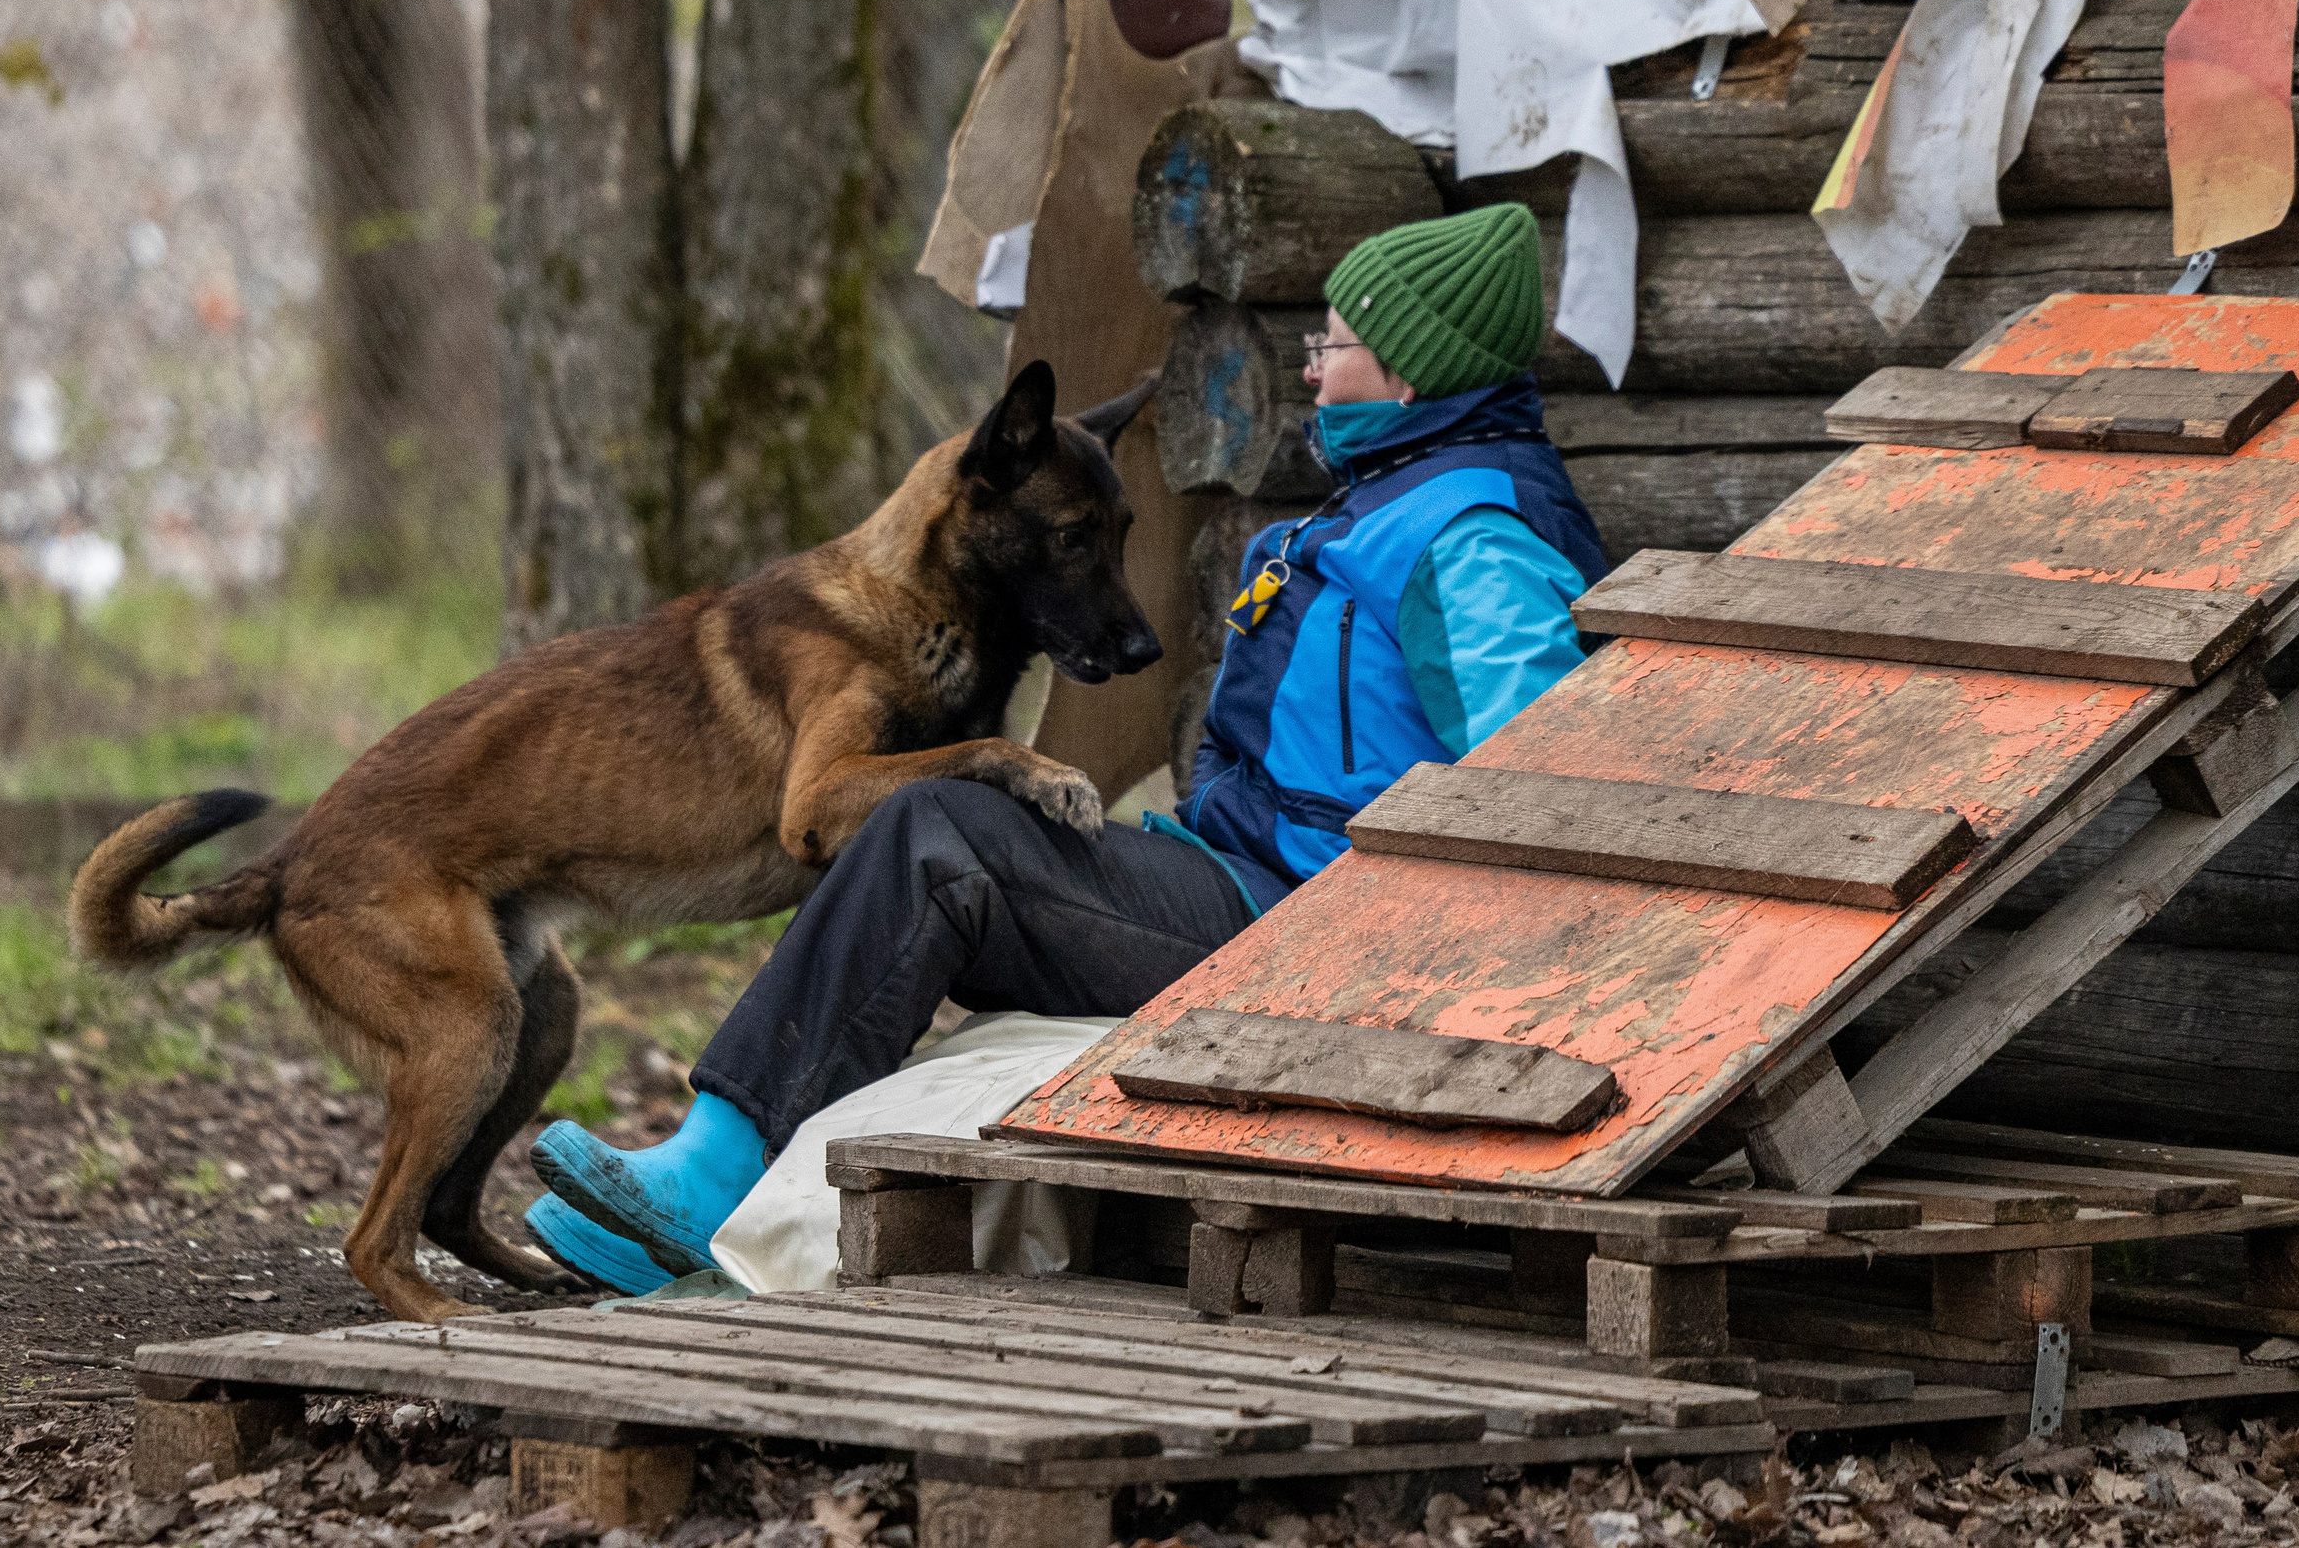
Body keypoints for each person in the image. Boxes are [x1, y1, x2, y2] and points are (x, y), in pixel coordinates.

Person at [524, 202, 1610, 1289]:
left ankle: (711, 1174)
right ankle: (692, 1208)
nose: (1315, 370)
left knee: (939, 834)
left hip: (1319, 934)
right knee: (931, 836)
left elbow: (1538, 791)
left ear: (1410, 375)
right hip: (1247, 881)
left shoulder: (1475, 547)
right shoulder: (1394, 504)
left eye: (1336, 344)